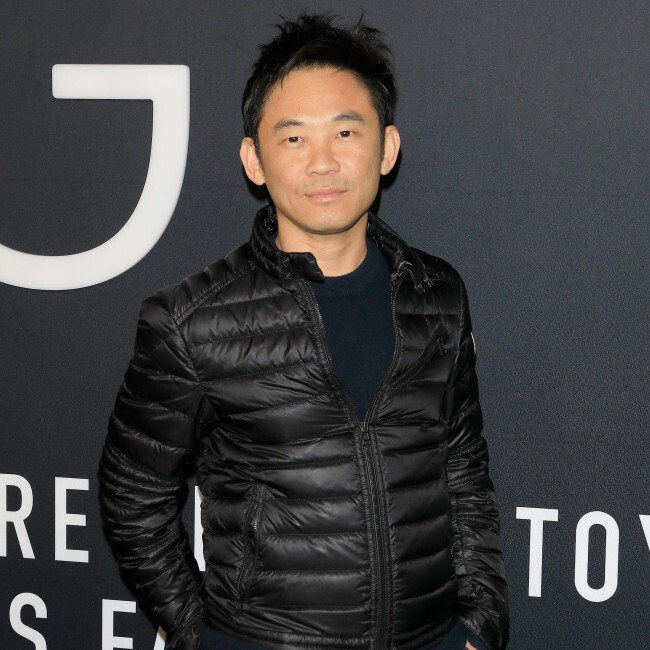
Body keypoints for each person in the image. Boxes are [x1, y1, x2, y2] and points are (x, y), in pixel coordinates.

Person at [98, 14, 509, 650]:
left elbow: (462, 468)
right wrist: (198, 632)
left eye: (346, 132)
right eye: (293, 138)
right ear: (254, 160)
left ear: (387, 148)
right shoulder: (192, 320)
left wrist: (480, 621)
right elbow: (133, 495)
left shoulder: (438, 296)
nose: (323, 162)